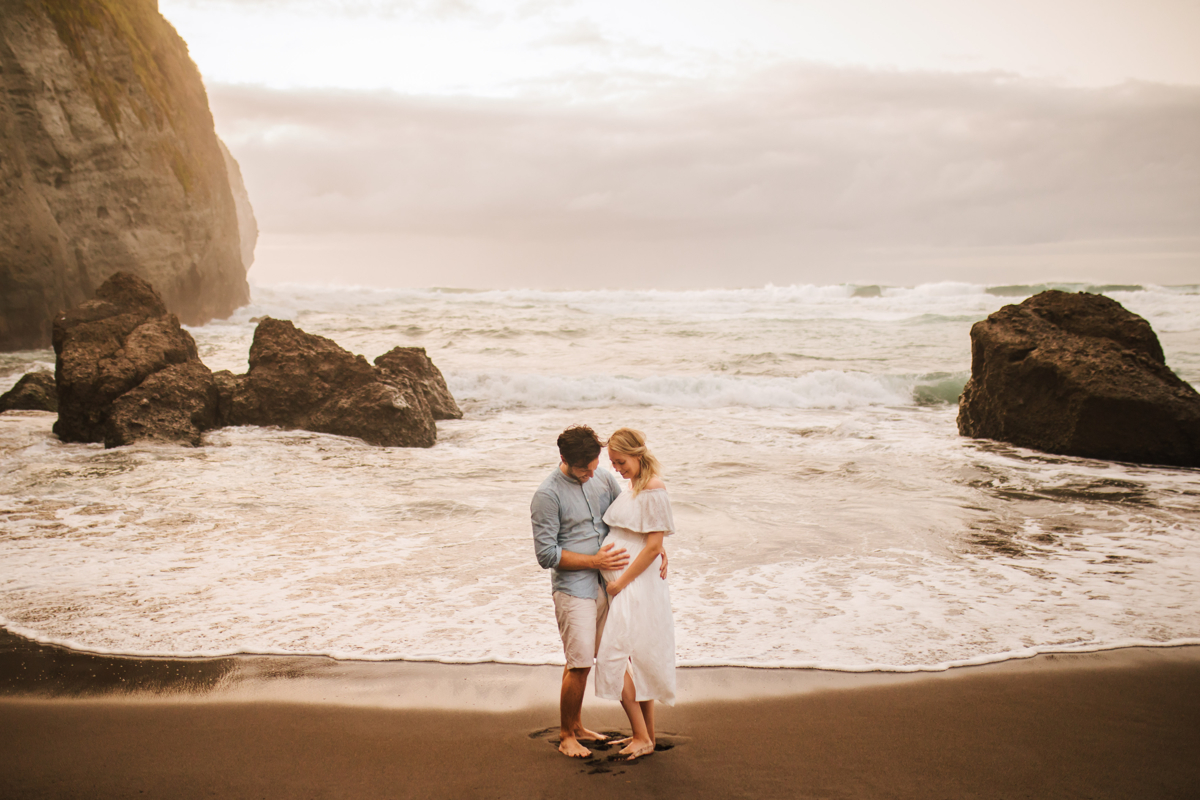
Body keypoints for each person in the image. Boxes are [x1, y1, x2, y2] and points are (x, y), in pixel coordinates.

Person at [530, 425, 628, 758]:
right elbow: (546, 555)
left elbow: (625, 518)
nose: (591, 474)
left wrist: (656, 548)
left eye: (594, 466)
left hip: (607, 584)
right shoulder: (547, 495)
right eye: (583, 469)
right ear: (564, 458)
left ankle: (577, 726)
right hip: (573, 589)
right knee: (580, 663)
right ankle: (565, 736)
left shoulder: (603, 478)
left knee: (583, 659)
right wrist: (593, 560)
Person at [594, 427, 677, 760]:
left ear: (637, 454)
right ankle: (647, 736)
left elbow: (653, 545)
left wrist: (620, 583)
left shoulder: (654, 487)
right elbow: (647, 539)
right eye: (613, 463)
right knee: (636, 657)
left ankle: (642, 736)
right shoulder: (633, 487)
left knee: (616, 657)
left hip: (634, 585)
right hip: (629, 583)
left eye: (621, 461)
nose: (617, 468)